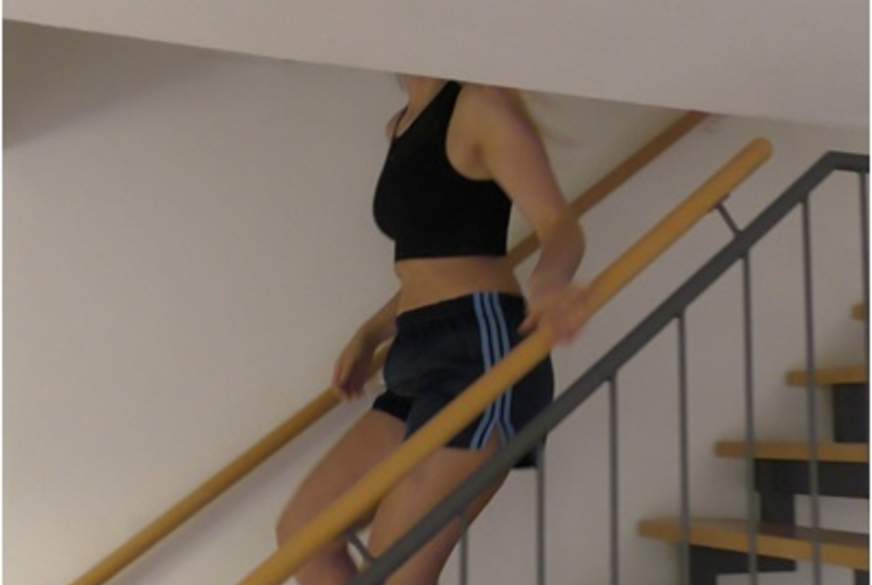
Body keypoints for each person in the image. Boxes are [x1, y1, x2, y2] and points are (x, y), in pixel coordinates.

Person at [276, 75, 588, 585]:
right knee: (304, 532)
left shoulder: (480, 105)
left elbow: (560, 227)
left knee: (394, 572)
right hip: (415, 349)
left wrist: (549, 283)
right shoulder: (401, 125)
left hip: (480, 350)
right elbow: (430, 260)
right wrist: (371, 332)